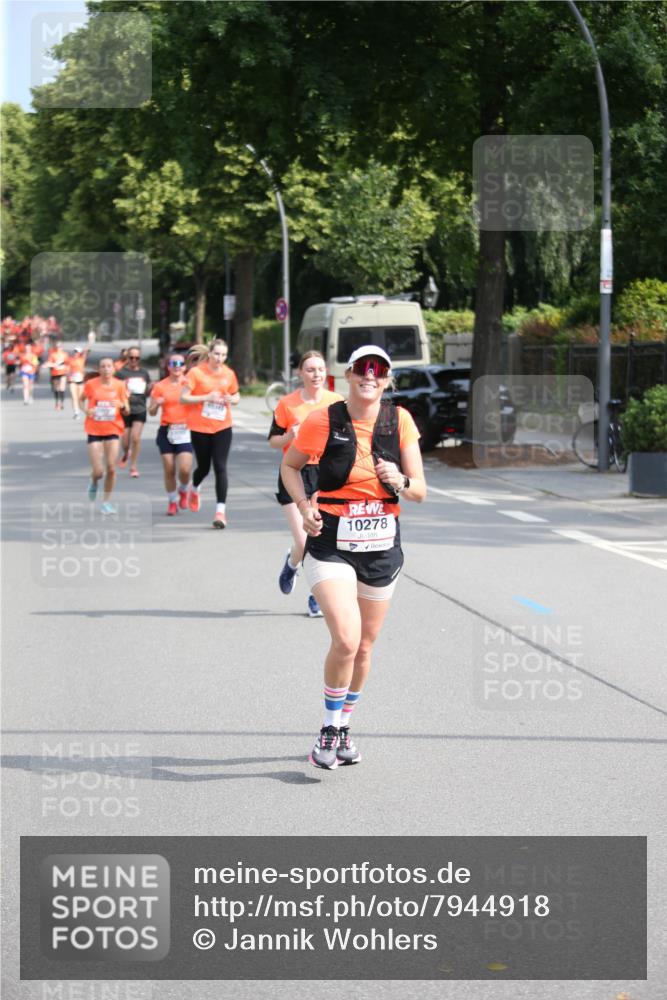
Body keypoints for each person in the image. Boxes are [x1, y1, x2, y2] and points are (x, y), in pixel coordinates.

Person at [281, 346, 426, 769]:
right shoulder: (322, 419)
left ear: (387, 378)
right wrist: (305, 507)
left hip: (381, 547)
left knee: (364, 646)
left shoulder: (399, 420)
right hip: (330, 543)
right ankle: (327, 728)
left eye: (378, 370)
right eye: (363, 368)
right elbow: (291, 467)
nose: (370, 375)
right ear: (347, 374)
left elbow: (420, 491)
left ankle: (345, 726)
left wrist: (399, 479)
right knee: (345, 638)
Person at [268, 351, 343, 618]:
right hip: (294, 472)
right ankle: (292, 562)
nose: (316, 374)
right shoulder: (287, 404)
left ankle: (315, 596)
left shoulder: (336, 402)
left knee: (318, 539)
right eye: (310, 369)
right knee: (304, 539)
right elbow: (274, 441)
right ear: (300, 373)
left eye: (320, 369)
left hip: (325, 474)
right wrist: (291, 434)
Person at [180, 340, 240, 528]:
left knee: (220, 466)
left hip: (223, 426)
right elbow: (183, 398)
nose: (219, 358)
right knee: (204, 468)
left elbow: (236, 395)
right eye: (216, 354)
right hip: (200, 427)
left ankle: (220, 512)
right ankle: (194, 487)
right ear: (210, 354)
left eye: (223, 355)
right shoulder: (196, 373)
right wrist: (206, 397)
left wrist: (233, 399)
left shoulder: (229, 374)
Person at [80, 357, 130, 515]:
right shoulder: (91, 384)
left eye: (109, 366)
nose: (106, 369)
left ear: (113, 369)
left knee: (111, 468)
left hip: (113, 429)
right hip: (94, 429)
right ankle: (94, 481)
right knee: (99, 471)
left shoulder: (120, 385)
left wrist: (121, 406)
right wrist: (86, 411)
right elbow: (80, 400)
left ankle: (106, 502)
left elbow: (127, 409)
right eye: (103, 366)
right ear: (99, 369)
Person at [148, 353, 193, 515]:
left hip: (186, 430)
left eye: (180, 363)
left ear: (185, 367)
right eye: (173, 363)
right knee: (169, 469)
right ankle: (172, 500)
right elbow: (151, 412)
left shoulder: (189, 384)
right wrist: (156, 405)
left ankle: (183, 489)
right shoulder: (160, 386)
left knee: (185, 470)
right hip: (167, 430)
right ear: (168, 367)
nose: (177, 366)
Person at [114, 347, 151, 477]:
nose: (134, 360)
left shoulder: (144, 373)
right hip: (125, 410)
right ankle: (126, 452)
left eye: (137, 358)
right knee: (125, 441)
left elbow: (147, 392)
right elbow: (114, 390)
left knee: (135, 438)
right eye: (131, 358)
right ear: (127, 358)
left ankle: (133, 466)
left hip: (140, 408)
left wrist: (151, 389)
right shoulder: (120, 373)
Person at [46, 340, 70, 410]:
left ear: (62, 347)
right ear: (55, 347)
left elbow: (68, 363)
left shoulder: (65, 354)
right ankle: (57, 402)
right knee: (56, 389)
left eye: (60, 346)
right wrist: (53, 365)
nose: (59, 347)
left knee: (62, 388)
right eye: (57, 346)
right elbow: (49, 363)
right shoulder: (53, 354)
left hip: (62, 373)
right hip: (55, 373)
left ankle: (62, 403)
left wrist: (67, 369)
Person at [67, 347, 89, 418]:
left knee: (80, 398)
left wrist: (90, 340)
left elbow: (86, 350)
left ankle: (84, 410)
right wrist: (69, 374)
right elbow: (68, 369)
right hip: (72, 380)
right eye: (74, 352)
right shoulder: (70, 360)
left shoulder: (82, 359)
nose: (75, 353)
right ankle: (76, 412)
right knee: (73, 396)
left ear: (80, 353)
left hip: (80, 380)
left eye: (77, 352)